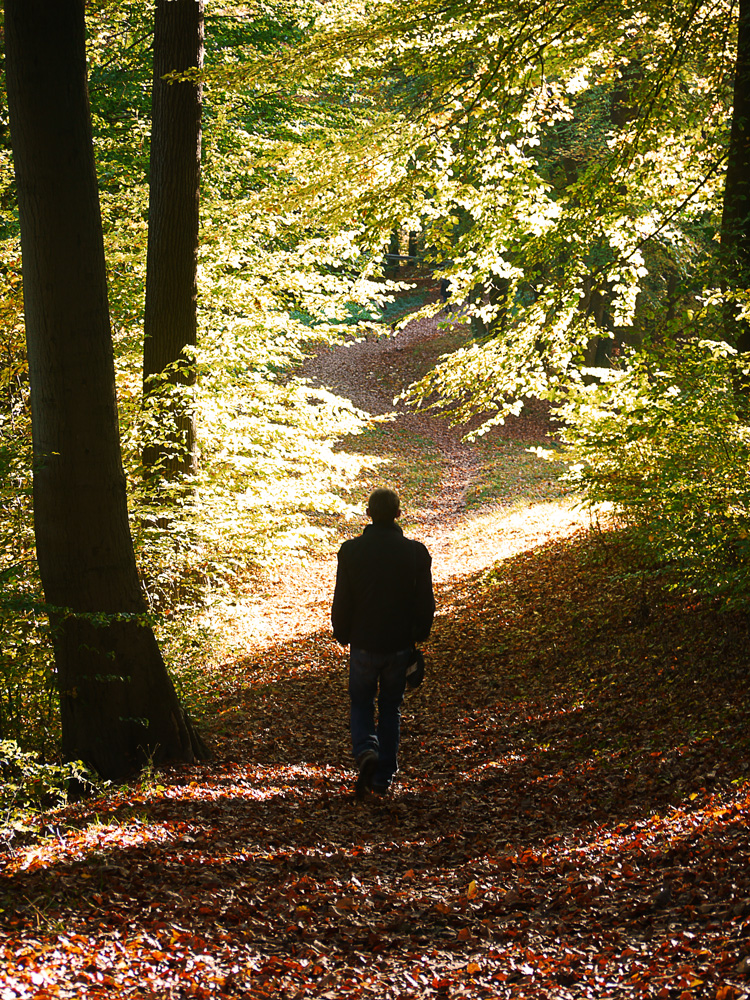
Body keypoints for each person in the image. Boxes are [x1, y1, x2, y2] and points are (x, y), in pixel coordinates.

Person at [331, 488, 435, 799]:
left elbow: (343, 597)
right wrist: (421, 633)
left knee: (361, 701)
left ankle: (366, 751)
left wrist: (341, 631)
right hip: (399, 644)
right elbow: (425, 601)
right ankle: (382, 778)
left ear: (369, 514)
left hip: (363, 642)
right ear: (398, 514)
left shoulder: (350, 551)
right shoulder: (415, 553)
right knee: (391, 707)